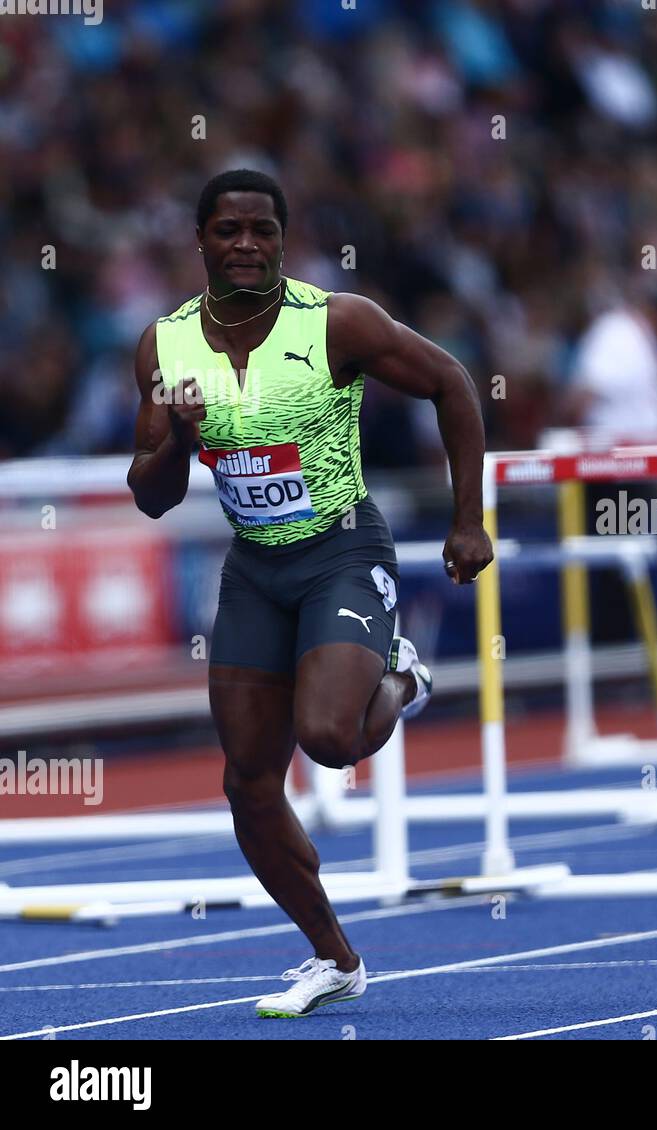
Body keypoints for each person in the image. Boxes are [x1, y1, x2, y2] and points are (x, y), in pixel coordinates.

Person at [128, 169, 493, 1017]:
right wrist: (177, 437)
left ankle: (398, 675)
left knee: (328, 738)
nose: (246, 244)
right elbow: (152, 494)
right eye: (228, 231)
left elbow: (452, 384)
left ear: (284, 242)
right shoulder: (163, 346)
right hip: (255, 569)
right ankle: (335, 956)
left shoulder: (336, 321)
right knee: (248, 786)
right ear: (201, 242)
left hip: (340, 552)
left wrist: (468, 519)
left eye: (262, 230)